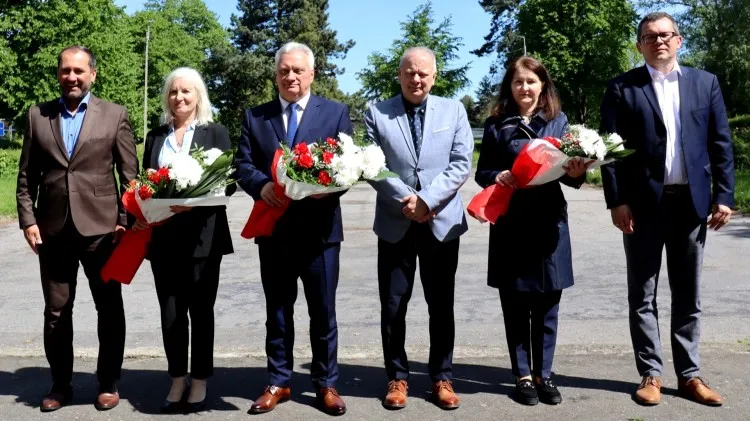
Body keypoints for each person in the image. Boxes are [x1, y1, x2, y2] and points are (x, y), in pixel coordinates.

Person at [600, 12, 734, 407]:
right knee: (642, 294)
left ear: (679, 40)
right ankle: (651, 373)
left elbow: (720, 144)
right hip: (641, 207)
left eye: (666, 35)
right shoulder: (622, 88)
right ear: (640, 44)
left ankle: (690, 375)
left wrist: (724, 196)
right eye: (650, 36)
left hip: (690, 206)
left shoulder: (705, 83)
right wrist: (617, 200)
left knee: (687, 294)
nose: (659, 41)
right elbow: (609, 150)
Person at [16, 45, 138, 412]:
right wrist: (28, 219)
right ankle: (60, 384)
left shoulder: (114, 115)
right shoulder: (39, 116)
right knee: (55, 313)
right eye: (66, 70)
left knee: (109, 309)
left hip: (103, 231)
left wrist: (124, 222)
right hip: (52, 232)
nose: (72, 77)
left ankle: (109, 382)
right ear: (59, 74)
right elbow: (26, 177)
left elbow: (129, 177)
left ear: (92, 75)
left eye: (79, 71)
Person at [234, 42, 353, 416]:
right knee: (278, 312)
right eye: (284, 70)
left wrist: (328, 188)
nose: (291, 77)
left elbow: (348, 168)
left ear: (312, 74)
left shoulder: (335, 113)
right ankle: (278, 381)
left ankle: (326, 384)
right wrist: (260, 185)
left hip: (320, 234)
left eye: (298, 70)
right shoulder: (257, 117)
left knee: (323, 313)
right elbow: (243, 164)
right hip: (275, 232)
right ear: (276, 74)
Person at [475, 56, 588, 406]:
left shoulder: (559, 122)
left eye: (531, 81)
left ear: (543, 86)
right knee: (514, 302)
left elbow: (576, 180)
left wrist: (575, 169)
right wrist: (498, 176)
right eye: (518, 82)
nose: (525, 88)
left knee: (548, 302)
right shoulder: (497, 124)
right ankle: (522, 375)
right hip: (511, 222)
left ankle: (545, 374)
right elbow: (483, 173)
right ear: (510, 86)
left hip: (549, 222)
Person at [364, 47, 473, 411]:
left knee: (441, 305)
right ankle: (397, 377)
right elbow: (372, 166)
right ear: (399, 74)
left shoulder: (453, 110)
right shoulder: (376, 113)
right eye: (410, 72)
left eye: (423, 73)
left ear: (434, 76)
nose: (416, 79)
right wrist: (407, 201)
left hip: (441, 221)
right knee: (394, 305)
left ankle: (442, 376)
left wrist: (427, 201)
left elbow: (460, 164)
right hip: (396, 223)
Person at [134, 67, 234, 413]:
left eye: (186, 92)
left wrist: (192, 199)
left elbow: (228, 183)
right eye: (173, 92)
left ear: (198, 96)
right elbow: (145, 181)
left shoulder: (215, 132)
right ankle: (177, 376)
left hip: (204, 237)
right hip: (164, 237)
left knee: (201, 311)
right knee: (171, 312)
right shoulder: (156, 135)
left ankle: (201, 378)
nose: (179, 97)